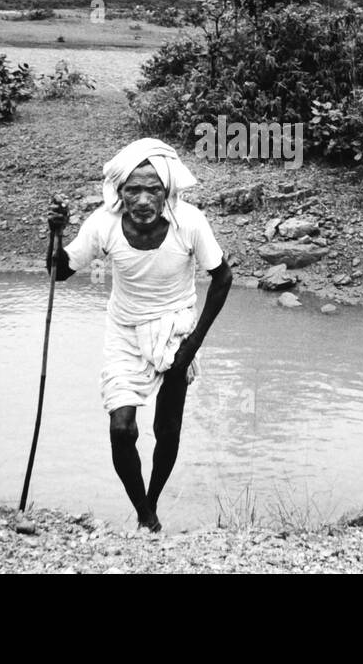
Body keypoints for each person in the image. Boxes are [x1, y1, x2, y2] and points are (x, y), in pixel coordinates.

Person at [46, 138, 233, 532]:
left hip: (176, 330)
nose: (144, 200)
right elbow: (59, 272)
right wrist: (55, 234)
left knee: (166, 431)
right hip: (125, 331)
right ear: (119, 192)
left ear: (167, 192)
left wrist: (193, 344)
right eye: (133, 189)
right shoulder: (103, 224)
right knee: (122, 429)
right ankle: (147, 517)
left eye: (153, 190)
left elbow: (222, 277)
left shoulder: (190, 222)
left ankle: (152, 502)